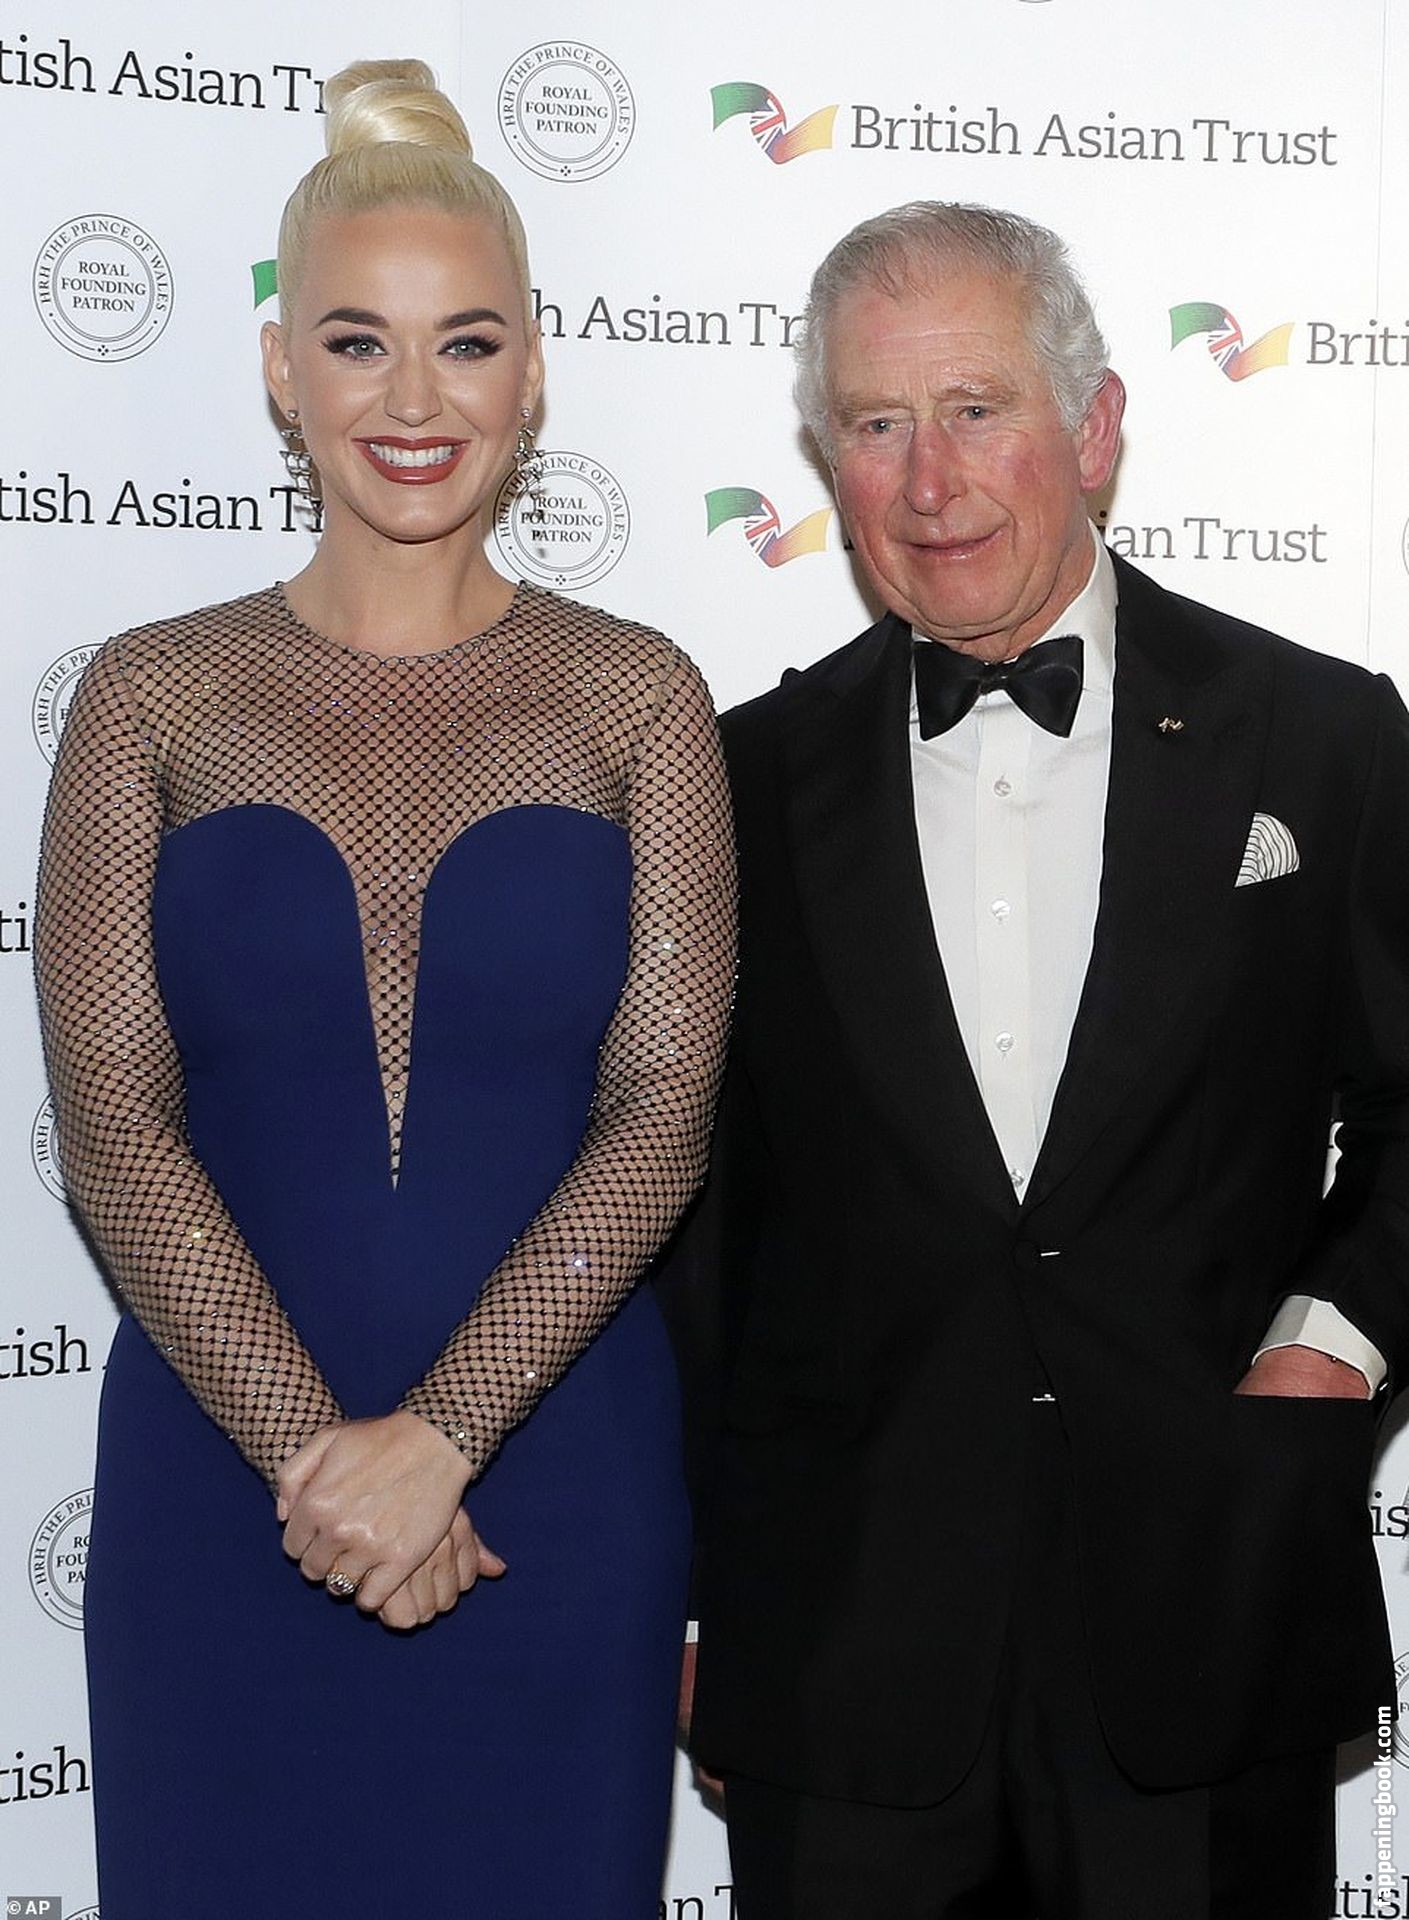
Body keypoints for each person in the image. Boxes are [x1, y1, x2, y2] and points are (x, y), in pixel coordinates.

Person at [35, 59, 734, 1919]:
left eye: (466, 344)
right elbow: (112, 1126)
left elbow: (662, 1116)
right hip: (221, 1489)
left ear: (533, 372)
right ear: (281, 370)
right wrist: (320, 1461)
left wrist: (441, 1443)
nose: (414, 402)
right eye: (358, 344)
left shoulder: (637, 696)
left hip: (553, 1486)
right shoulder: (150, 694)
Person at [669, 201, 1409, 1919]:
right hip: (842, 1658)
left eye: (975, 409)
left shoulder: (1323, 737)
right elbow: (696, 1231)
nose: (928, 481)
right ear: (827, 461)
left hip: (1207, 1622)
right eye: (875, 423)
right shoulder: (735, 781)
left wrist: (1323, 1357)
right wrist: (696, 1597)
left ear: (1093, 430)